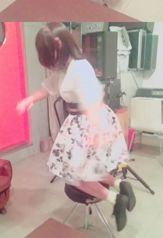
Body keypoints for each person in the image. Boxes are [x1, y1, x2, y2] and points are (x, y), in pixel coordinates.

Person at [17, 23, 134, 232]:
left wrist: (96, 133)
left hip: (89, 122)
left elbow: (94, 100)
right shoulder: (66, 68)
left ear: (58, 45)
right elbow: (49, 88)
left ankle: (116, 200)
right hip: (79, 123)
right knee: (88, 169)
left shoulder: (79, 68)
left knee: (74, 176)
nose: (50, 64)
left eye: (49, 57)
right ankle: (119, 185)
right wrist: (30, 99)